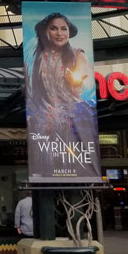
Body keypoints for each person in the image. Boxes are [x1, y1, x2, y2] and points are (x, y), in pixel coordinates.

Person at [26, 11, 97, 174]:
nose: (60, 33)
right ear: (46, 32)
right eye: (54, 28)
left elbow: (84, 75)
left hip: (73, 120)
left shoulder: (77, 54)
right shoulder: (35, 57)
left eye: (64, 29)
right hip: (43, 121)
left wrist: (76, 80)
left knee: (72, 164)